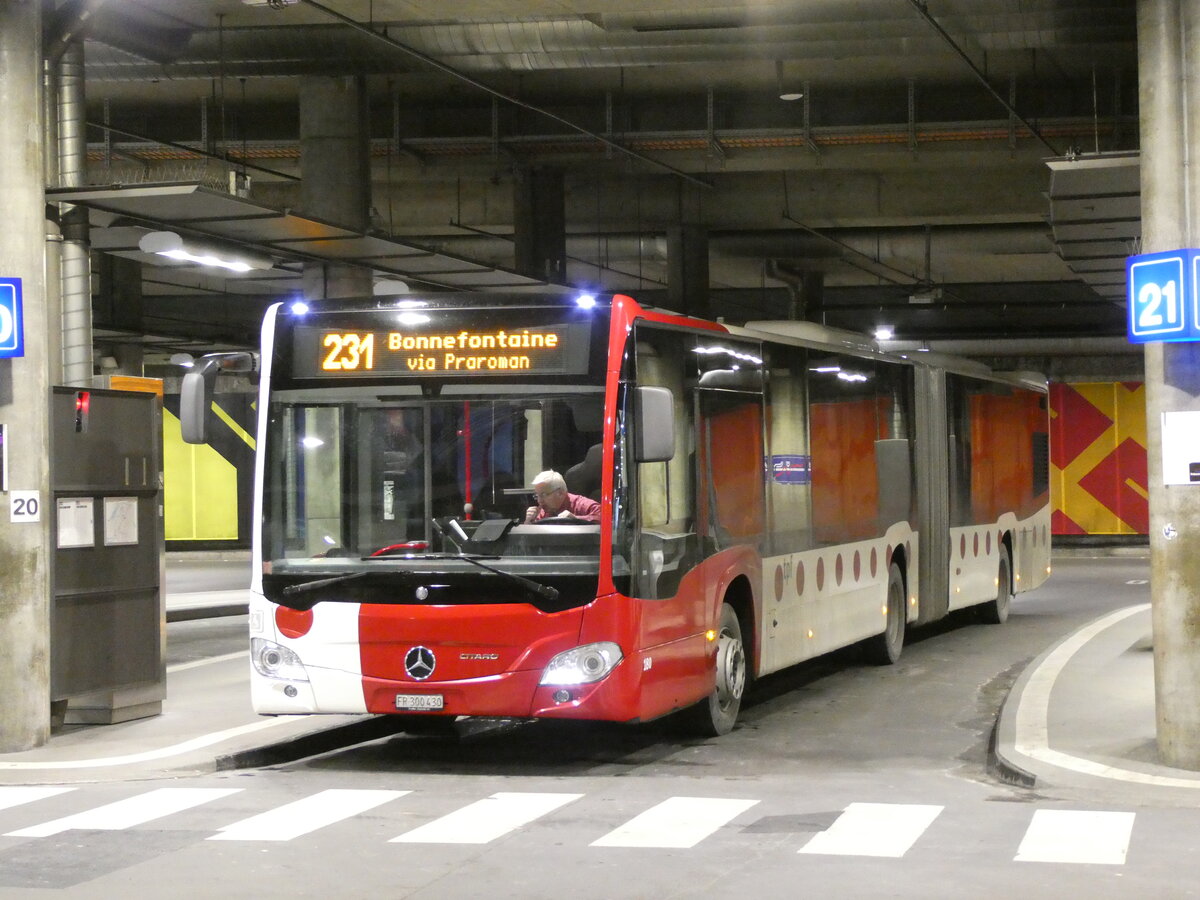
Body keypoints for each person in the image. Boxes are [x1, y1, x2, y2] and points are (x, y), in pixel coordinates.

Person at [523, 470, 600, 523]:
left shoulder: (582, 504)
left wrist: (576, 519)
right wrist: (529, 522)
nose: (539, 501)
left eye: (543, 495)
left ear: (560, 493)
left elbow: (606, 519)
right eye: (537, 496)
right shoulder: (542, 512)